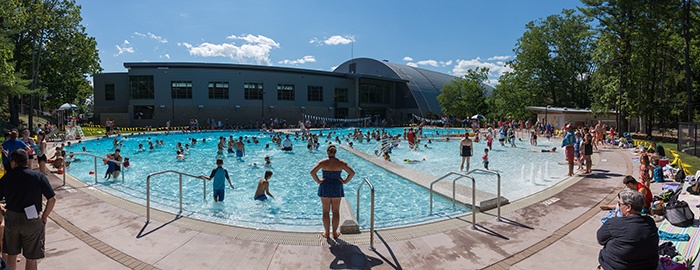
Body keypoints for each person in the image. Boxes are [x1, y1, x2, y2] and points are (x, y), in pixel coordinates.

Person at [0, 149, 57, 270]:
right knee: (31, 258)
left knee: (11, 255)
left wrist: (2, 209)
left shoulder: (6, 178)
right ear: (26, 161)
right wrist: (44, 216)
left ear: (13, 162)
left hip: (12, 219)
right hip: (32, 219)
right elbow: (52, 199)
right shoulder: (38, 176)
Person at [597, 189, 658, 269]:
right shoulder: (649, 221)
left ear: (628, 207)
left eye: (620, 204)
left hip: (621, 267)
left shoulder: (614, 223)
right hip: (649, 266)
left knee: (607, 245)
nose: (619, 206)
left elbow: (600, 240)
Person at [310, 145, 355, 239]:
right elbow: (352, 173)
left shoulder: (323, 162)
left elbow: (312, 172)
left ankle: (327, 233)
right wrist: (345, 181)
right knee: (336, 211)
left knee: (325, 211)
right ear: (335, 152)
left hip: (325, 185)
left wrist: (318, 181)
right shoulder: (341, 163)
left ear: (327, 152)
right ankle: (334, 233)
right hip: (336, 186)